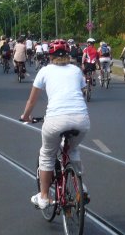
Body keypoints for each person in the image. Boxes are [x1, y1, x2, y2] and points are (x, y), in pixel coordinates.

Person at [20, 39, 90, 209]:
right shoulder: (75, 70)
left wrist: (26, 116)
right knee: (72, 149)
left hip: (55, 120)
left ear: (49, 56)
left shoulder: (44, 71)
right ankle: (81, 186)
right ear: (68, 54)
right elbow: (81, 93)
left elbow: (32, 100)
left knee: (47, 154)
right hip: (81, 119)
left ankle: (44, 197)